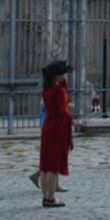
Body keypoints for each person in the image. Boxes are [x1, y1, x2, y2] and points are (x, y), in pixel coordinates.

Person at [37, 60, 74, 208]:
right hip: (57, 128)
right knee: (53, 166)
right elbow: (63, 111)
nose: (64, 75)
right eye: (62, 73)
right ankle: (50, 198)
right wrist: (73, 120)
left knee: (45, 165)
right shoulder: (58, 91)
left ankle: (46, 197)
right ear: (56, 76)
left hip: (48, 126)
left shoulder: (47, 89)